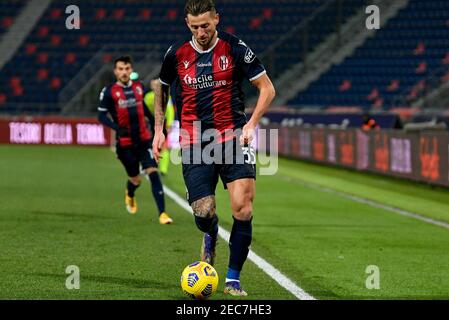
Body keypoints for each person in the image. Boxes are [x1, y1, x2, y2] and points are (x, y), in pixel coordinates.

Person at [152, 0, 275, 296]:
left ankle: (233, 279)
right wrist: (159, 129)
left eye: (206, 25)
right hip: (194, 141)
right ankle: (210, 234)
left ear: (217, 19)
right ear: (187, 25)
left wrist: (251, 124)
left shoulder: (235, 49)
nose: (201, 31)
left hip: (233, 136)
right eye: (195, 26)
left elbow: (267, 88)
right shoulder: (177, 54)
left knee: (242, 208)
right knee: (204, 212)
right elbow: (160, 86)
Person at [98, 55, 173, 225]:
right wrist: (116, 128)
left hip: (143, 140)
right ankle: (130, 192)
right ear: (115, 71)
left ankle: (162, 213)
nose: (124, 72)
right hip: (124, 144)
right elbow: (101, 115)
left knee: (153, 173)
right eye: (121, 69)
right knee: (135, 179)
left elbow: (146, 111)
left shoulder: (139, 87)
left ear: (131, 70)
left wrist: (158, 128)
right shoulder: (109, 92)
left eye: (127, 69)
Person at [144, 79, 176, 175]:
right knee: (150, 145)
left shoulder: (165, 96)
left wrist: (169, 124)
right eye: (153, 84)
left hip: (163, 123)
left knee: (163, 147)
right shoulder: (148, 96)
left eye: (157, 84)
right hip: (152, 122)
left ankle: (163, 169)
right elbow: (144, 110)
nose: (155, 86)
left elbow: (170, 110)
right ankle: (151, 166)